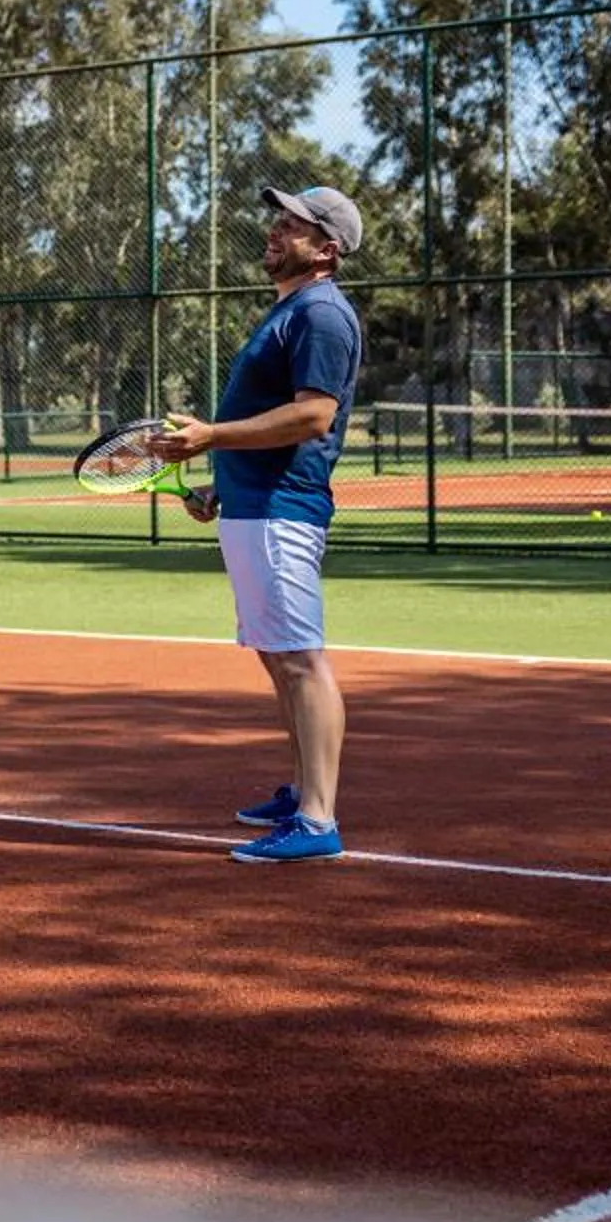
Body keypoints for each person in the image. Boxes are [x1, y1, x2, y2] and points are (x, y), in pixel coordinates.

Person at [148, 184, 367, 865]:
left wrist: (211, 437)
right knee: (279, 659)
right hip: (255, 505)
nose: (276, 231)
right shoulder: (292, 310)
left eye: (293, 226)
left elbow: (313, 417)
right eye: (278, 220)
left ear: (326, 250)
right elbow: (277, 424)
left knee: (301, 659)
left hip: (284, 512)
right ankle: (303, 789)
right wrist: (222, 484)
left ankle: (316, 818)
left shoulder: (323, 315)